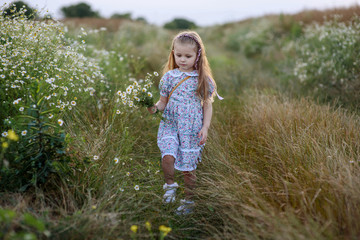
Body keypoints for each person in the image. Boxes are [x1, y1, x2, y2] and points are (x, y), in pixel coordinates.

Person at [148, 31, 221, 215]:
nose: (182, 59)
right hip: (170, 125)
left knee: (188, 168)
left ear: (198, 56)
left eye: (188, 56)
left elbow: (207, 106)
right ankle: (170, 185)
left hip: (191, 129)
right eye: (178, 55)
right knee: (168, 156)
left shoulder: (203, 80)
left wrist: (205, 127)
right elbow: (163, 102)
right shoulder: (169, 78)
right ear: (173, 53)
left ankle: (189, 200)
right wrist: (154, 108)